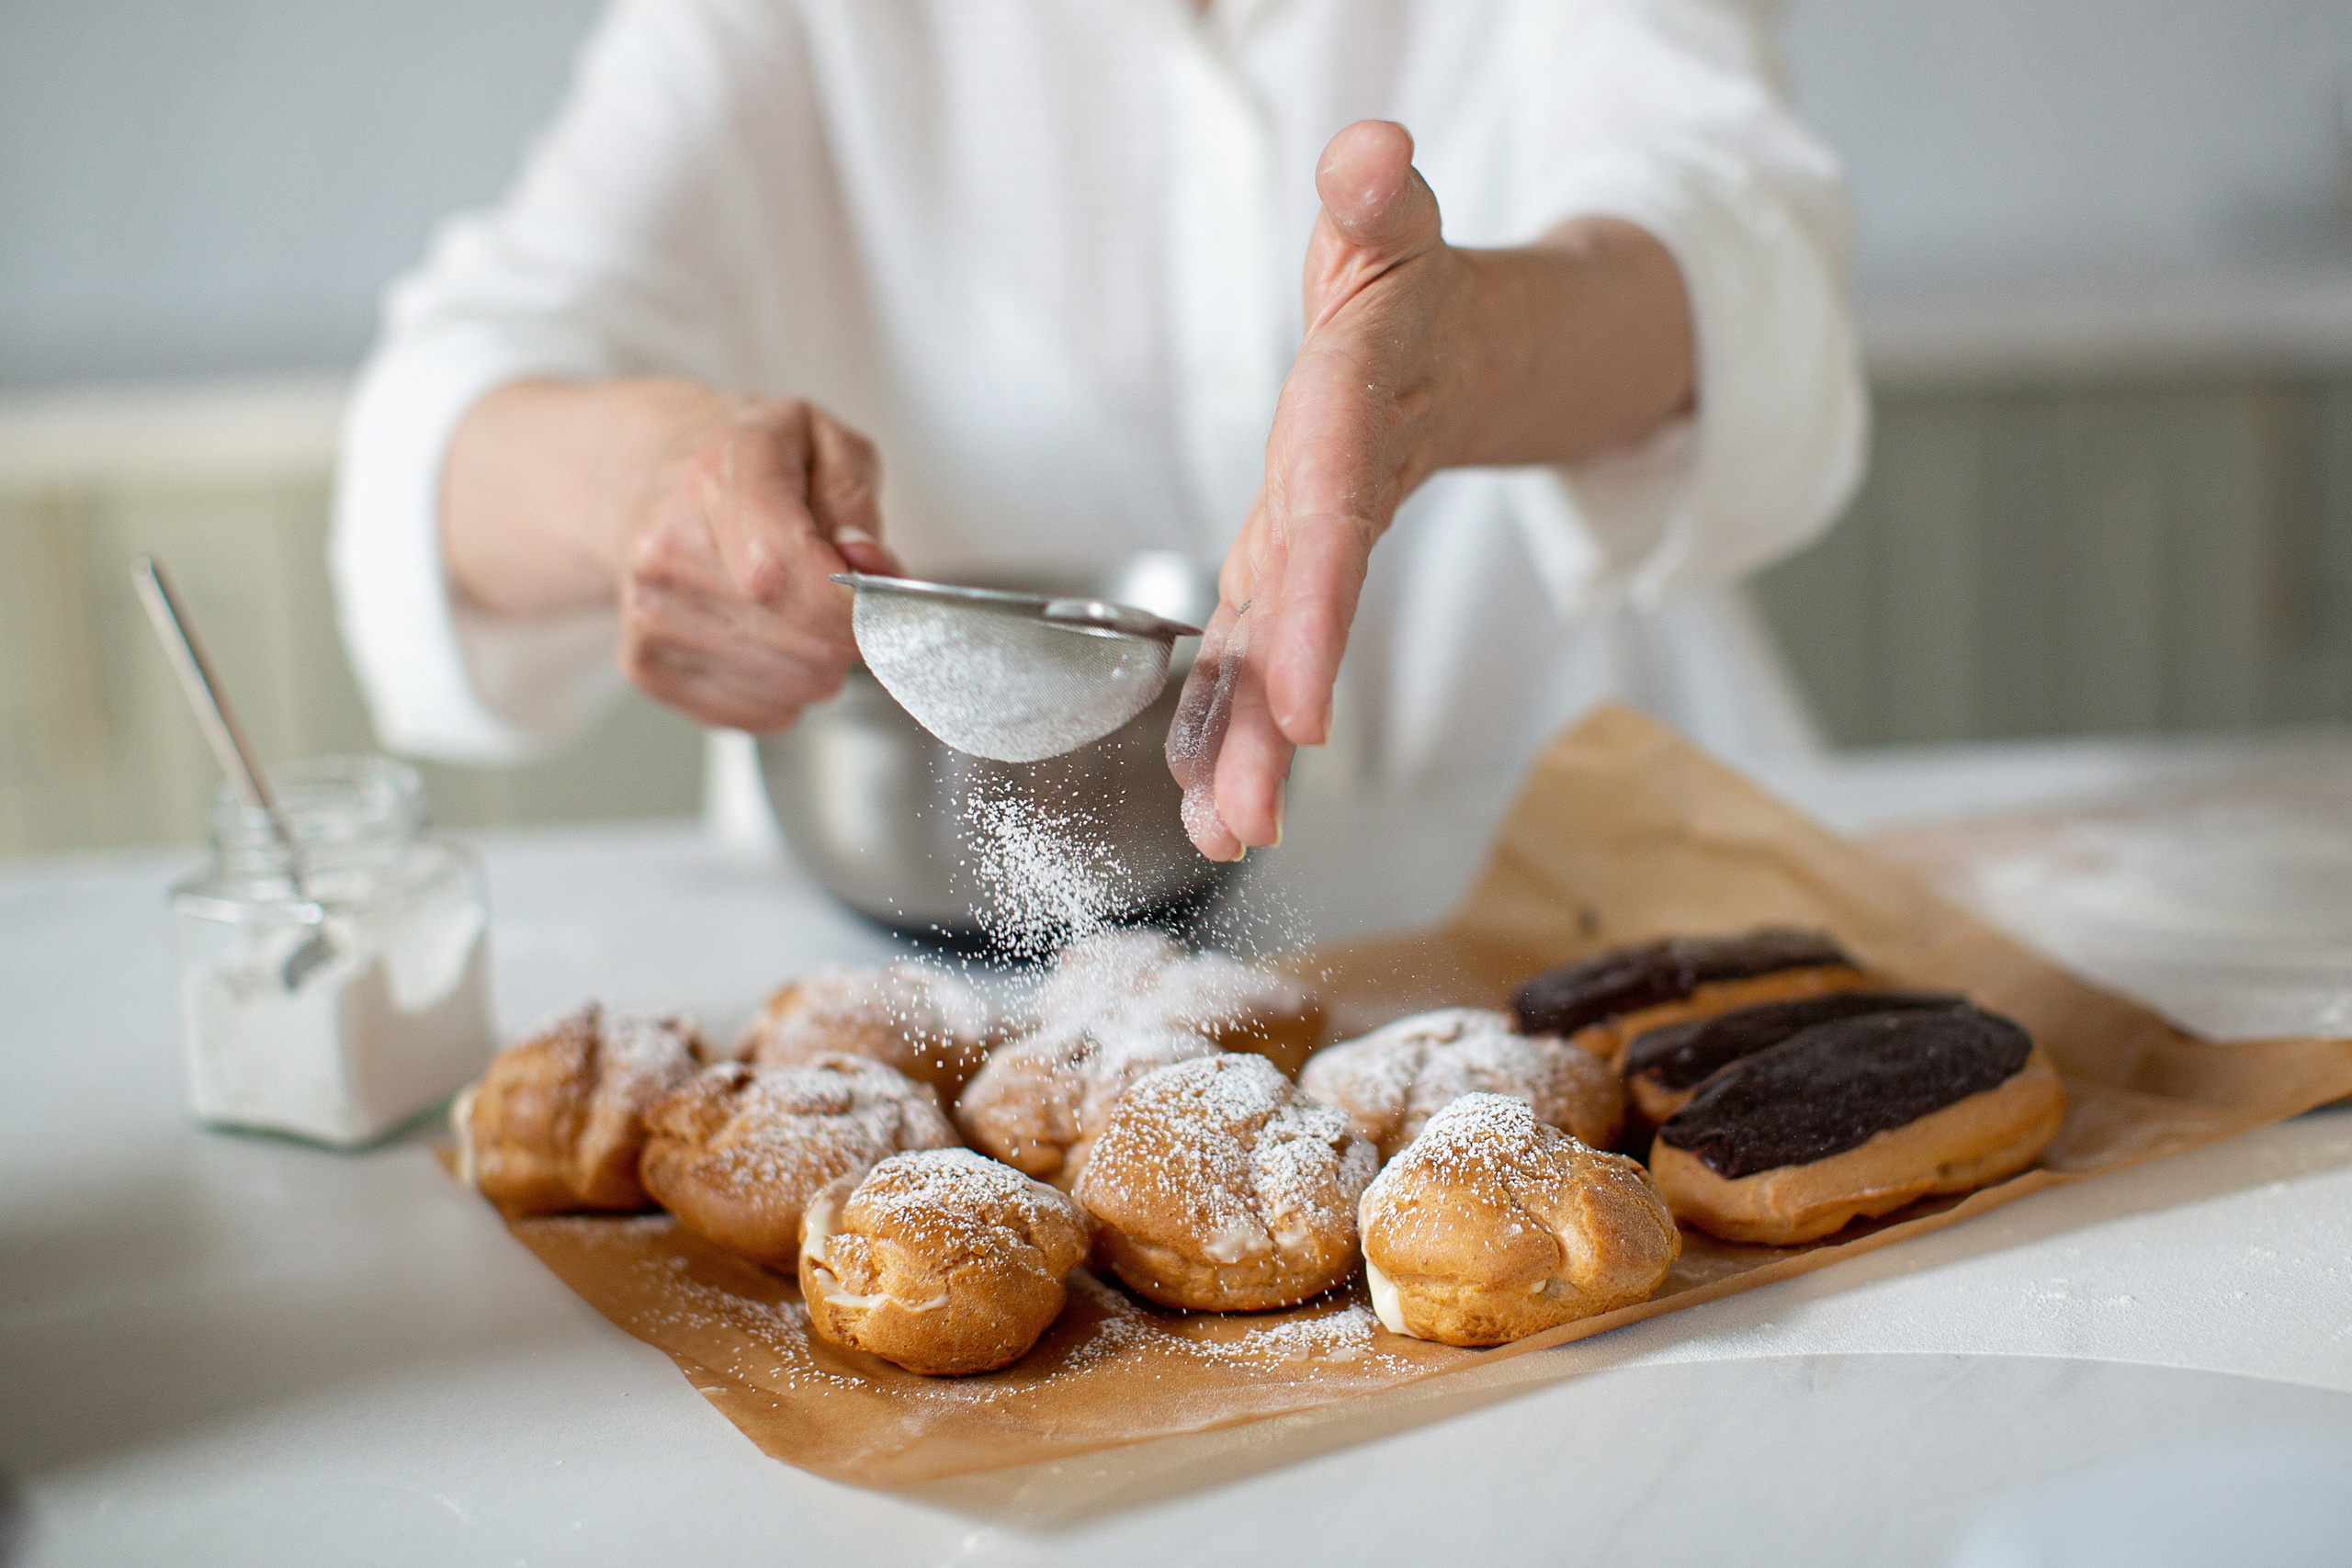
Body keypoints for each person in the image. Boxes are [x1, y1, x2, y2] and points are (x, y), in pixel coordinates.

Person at [332, 0, 1863, 862]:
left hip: (1587, 859)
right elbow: (435, 429)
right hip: (926, 920)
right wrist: (647, 482)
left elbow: (1745, 253)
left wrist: (1468, 358)